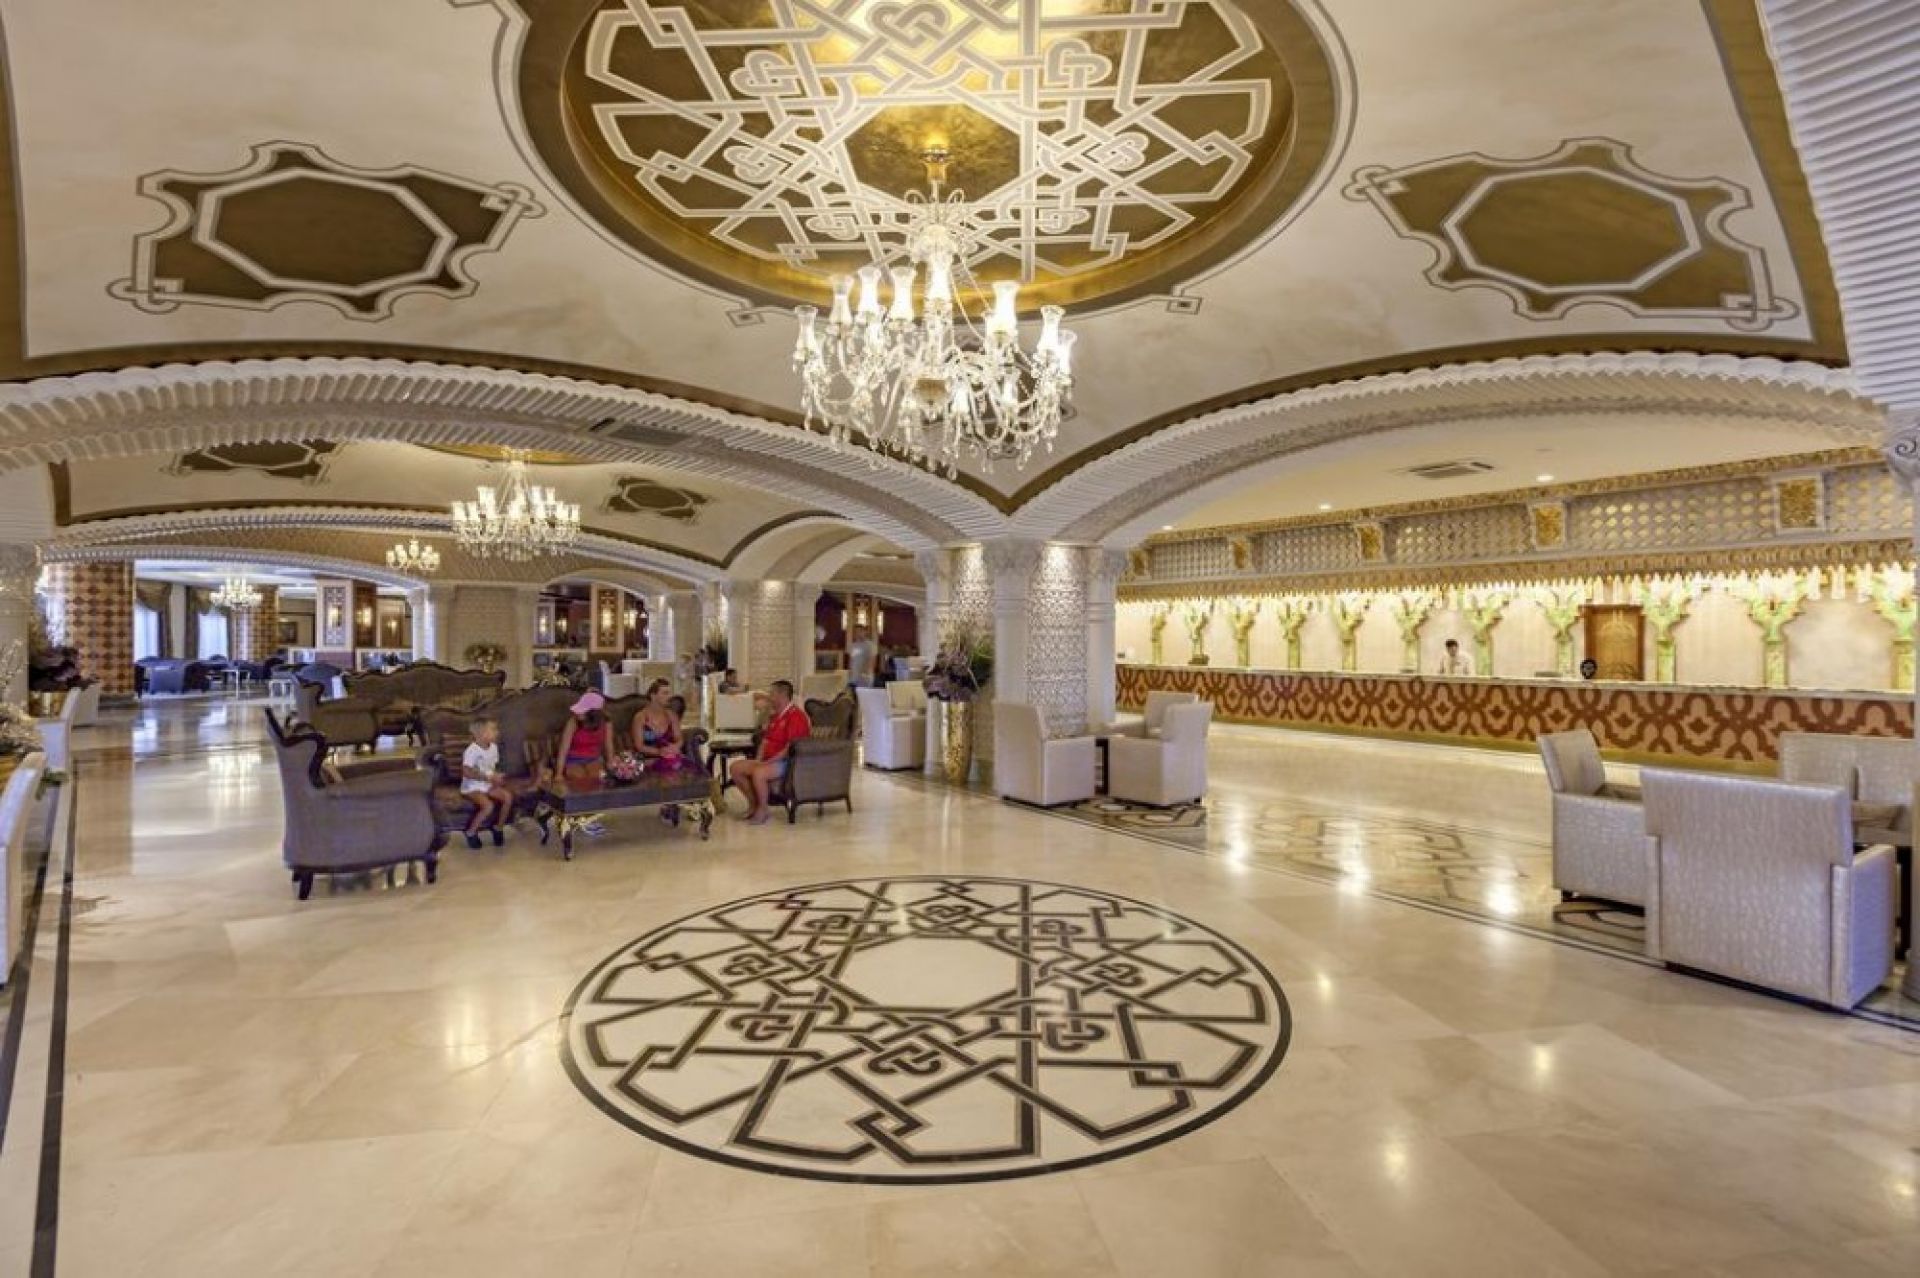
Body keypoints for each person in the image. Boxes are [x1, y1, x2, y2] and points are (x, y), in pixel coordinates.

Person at [729, 679, 810, 825]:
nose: (769, 697)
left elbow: (790, 748)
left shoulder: (796, 716)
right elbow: (765, 741)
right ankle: (753, 805)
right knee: (736, 768)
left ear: (782, 695)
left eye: (772, 694)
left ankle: (763, 809)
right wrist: (759, 760)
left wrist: (768, 762)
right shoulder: (776, 715)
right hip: (769, 760)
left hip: (787, 762)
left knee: (759, 773)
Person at [460, 716, 514, 849]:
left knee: (508, 797)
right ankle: (471, 832)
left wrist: (497, 778)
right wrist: (487, 777)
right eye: (493, 729)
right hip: (472, 786)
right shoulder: (472, 750)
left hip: (487, 784)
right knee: (488, 806)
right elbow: (466, 772)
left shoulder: (493, 748)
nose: (497, 732)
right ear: (482, 734)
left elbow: (492, 767)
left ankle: (498, 828)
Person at [555, 690, 616, 785]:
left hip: (594, 759)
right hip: (573, 759)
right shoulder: (573, 722)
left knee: (596, 778)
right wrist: (558, 774)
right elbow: (563, 749)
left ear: (593, 712)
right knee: (579, 779)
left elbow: (609, 745)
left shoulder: (606, 722)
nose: (577, 712)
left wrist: (611, 764)